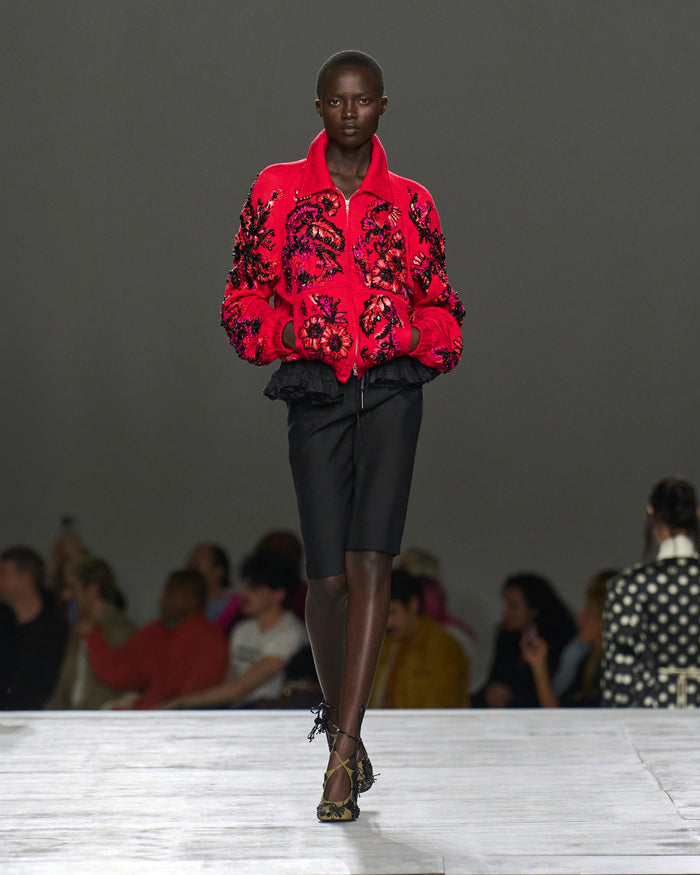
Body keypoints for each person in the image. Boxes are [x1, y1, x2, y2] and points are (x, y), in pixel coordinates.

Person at [221, 50, 464, 821]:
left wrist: (410, 332)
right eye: (336, 100)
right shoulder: (277, 190)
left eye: (363, 101)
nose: (350, 112)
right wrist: (296, 327)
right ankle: (346, 730)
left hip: (391, 388)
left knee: (371, 563)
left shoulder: (413, 202)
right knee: (323, 578)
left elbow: (443, 309)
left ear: (383, 107)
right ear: (318, 106)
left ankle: (339, 753)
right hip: (317, 388)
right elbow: (241, 300)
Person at [602, 477, 700, 708]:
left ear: (652, 514)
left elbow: (620, 666)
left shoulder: (631, 585)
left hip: (650, 708)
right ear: (696, 514)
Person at [164, 552, 308, 709]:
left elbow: (243, 687)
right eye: (245, 586)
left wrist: (183, 702)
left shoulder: (290, 632)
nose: (243, 593)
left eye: (254, 588)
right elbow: (229, 682)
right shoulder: (243, 629)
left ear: (278, 594)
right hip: (237, 710)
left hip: (267, 713)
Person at [78, 569, 228, 709]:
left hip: (172, 723)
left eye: (169, 594)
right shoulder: (156, 632)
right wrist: (94, 636)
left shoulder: (210, 642)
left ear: (191, 601)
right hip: (146, 715)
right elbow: (120, 672)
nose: (161, 601)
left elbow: (190, 701)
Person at [473, 573, 577, 708]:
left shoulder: (562, 645)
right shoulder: (507, 640)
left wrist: (513, 694)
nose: (505, 613)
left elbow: (557, 696)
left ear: (534, 609)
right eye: (506, 605)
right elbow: (494, 678)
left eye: (513, 606)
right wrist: (491, 691)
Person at [45, 556, 136, 710]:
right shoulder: (78, 631)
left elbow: (122, 687)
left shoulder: (121, 632)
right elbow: (64, 687)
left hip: (104, 725)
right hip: (73, 723)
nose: (65, 595)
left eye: (71, 587)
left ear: (93, 589)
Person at [369, 570, 469, 708]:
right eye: (383, 615)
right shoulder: (382, 645)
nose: (388, 623)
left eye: (392, 612)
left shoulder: (444, 648)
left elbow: (442, 708)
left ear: (413, 604)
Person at [521, 570, 617, 707]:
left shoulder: (619, 669)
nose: (581, 617)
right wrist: (538, 665)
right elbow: (559, 715)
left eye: (590, 613)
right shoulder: (583, 658)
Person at [0, 546, 69, 709]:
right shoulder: (4, 625)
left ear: (25, 579)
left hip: (42, 720)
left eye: (3, 574)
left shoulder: (56, 629)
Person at [186, 544, 231, 622]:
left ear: (218, 572)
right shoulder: (186, 611)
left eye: (196, 567)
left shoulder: (233, 610)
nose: (190, 575)